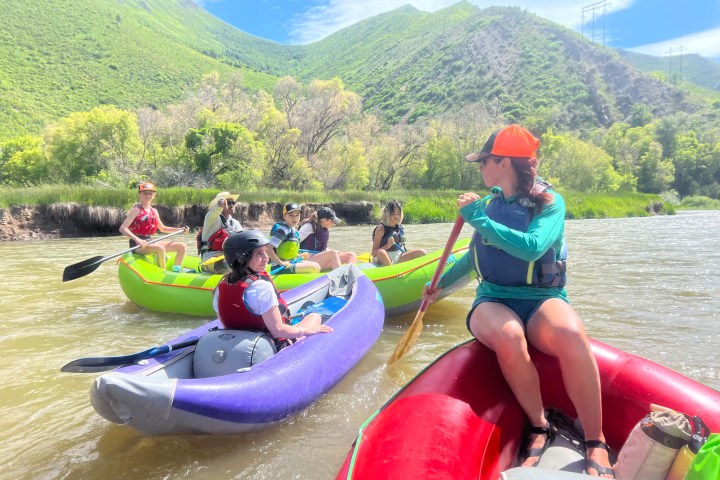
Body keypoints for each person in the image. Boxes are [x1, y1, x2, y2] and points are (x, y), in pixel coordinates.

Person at [422, 125, 614, 478]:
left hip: (542, 297)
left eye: (484, 161)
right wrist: (438, 287)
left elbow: (533, 247)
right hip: (493, 298)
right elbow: (473, 257)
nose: (480, 168)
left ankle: (595, 440)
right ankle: (540, 426)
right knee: (510, 335)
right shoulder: (490, 205)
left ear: (505, 163)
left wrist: (477, 218)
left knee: (572, 335)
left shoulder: (550, 204)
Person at [213, 230, 333, 349]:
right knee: (314, 316)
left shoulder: (221, 286)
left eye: (265, 252)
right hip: (268, 346)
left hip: (237, 345)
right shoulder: (261, 287)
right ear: (240, 259)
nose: (266, 258)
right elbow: (278, 331)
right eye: (259, 253)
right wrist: (304, 330)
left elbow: (226, 324)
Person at [119, 182, 189, 271]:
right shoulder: (136, 210)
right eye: (145, 193)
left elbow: (163, 228)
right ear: (139, 195)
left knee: (182, 246)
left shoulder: (154, 211)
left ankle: (176, 270)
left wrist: (180, 229)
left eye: (150, 193)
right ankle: (163, 273)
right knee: (160, 248)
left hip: (150, 241)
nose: (148, 195)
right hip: (137, 244)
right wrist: (138, 239)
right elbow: (122, 228)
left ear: (154, 195)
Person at [267, 203, 322, 274]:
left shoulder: (295, 232)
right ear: (284, 216)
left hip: (291, 263)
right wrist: (281, 263)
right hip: (280, 267)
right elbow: (268, 248)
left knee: (317, 266)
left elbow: (288, 250)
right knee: (313, 267)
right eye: (291, 215)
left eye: (297, 215)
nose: (295, 218)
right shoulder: (283, 231)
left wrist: (299, 255)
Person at [198, 191, 243, 274]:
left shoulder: (235, 223)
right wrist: (219, 205)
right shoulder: (211, 218)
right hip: (210, 257)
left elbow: (243, 239)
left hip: (227, 257)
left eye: (233, 202)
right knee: (224, 264)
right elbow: (215, 212)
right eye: (229, 203)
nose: (232, 205)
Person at [371, 200, 426, 266]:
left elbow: (403, 248)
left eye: (398, 214)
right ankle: (392, 272)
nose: (396, 216)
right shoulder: (381, 228)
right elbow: (374, 253)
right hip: (383, 257)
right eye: (393, 214)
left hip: (398, 256)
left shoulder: (399, 227)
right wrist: (387, 245)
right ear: (387, 214)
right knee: (381, 252)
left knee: (422, 252)